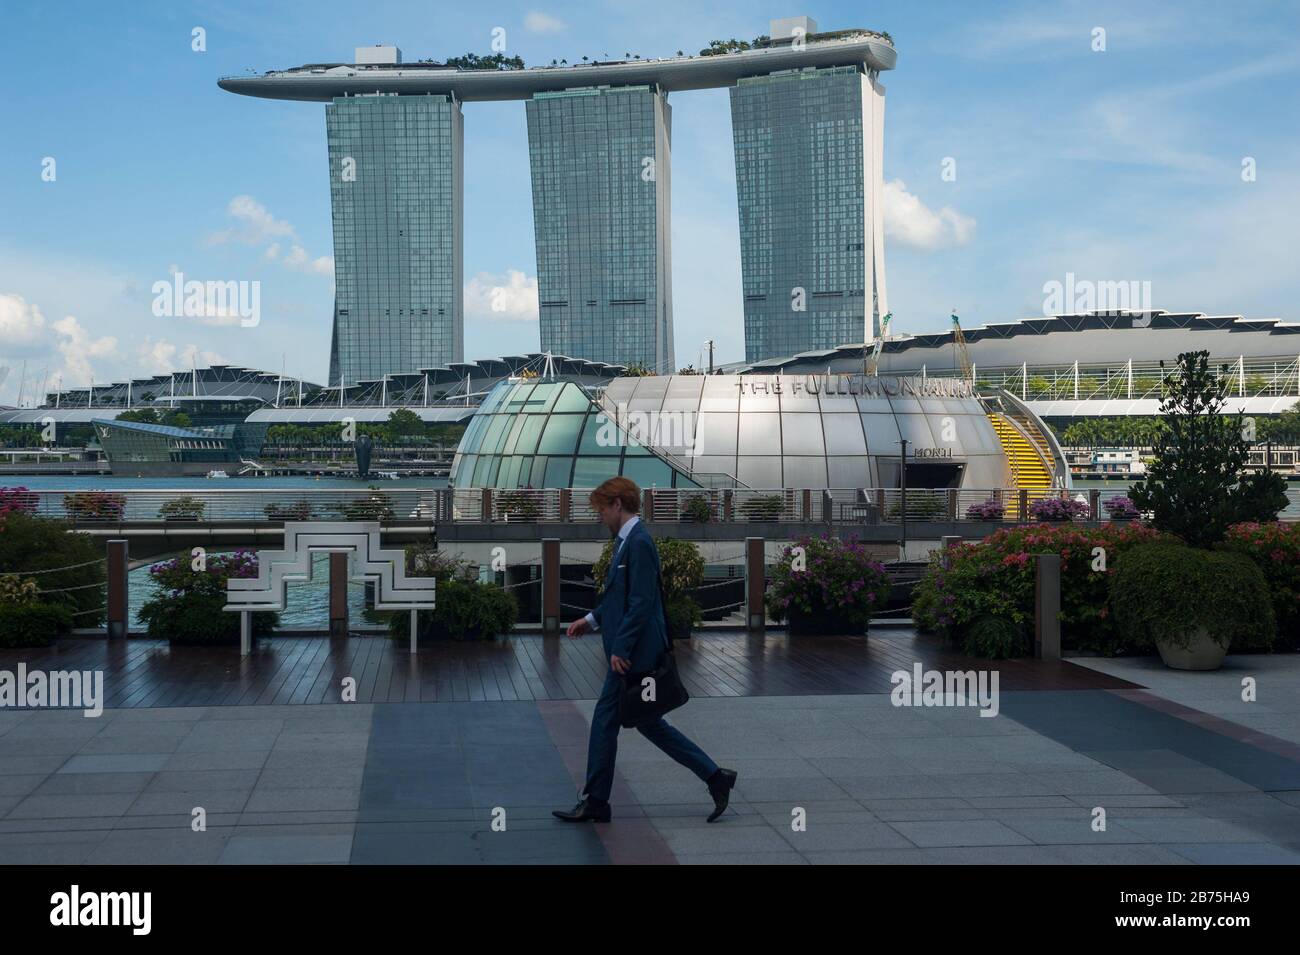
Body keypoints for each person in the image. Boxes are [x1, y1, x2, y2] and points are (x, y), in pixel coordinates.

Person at [553, 477, 737, 824]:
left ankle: (596, 802)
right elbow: (620, 598)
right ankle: (715, 777)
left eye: (603, 509)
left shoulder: (637, 543)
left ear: (618, 505)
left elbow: (641, 602)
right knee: (648, 723)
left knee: (607, 720)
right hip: (632, 651)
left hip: (633, 655)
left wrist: (620, 648)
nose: (601, 517)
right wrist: (591, 620)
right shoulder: (628, 542)